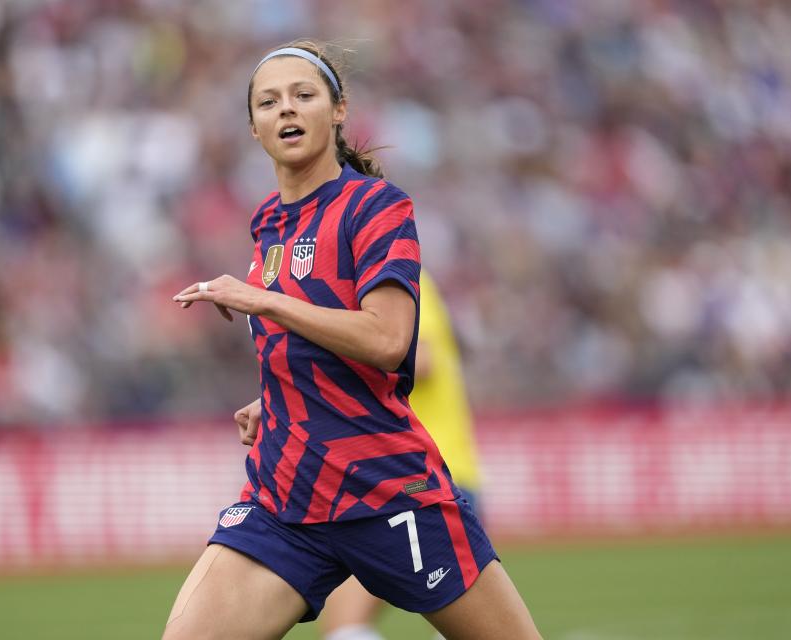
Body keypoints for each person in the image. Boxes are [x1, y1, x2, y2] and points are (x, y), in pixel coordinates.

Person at [164, 40, 540, 640]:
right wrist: (282, 397)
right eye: (269, 102)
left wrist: (264, 300)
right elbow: (319, 344)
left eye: (303, 96)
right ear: (254, 127)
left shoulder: (377, 208)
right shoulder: (269, 223)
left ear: (338, 111)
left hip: (385, 489)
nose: (286, 110)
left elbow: (390, 340)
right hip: (285, 495)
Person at [319, 270, 484, 640]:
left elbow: (419, 359)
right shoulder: (389, 278)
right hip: (417, 475)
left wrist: (329, 363)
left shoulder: (394, 278)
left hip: (423, 476)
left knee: (346, 626)